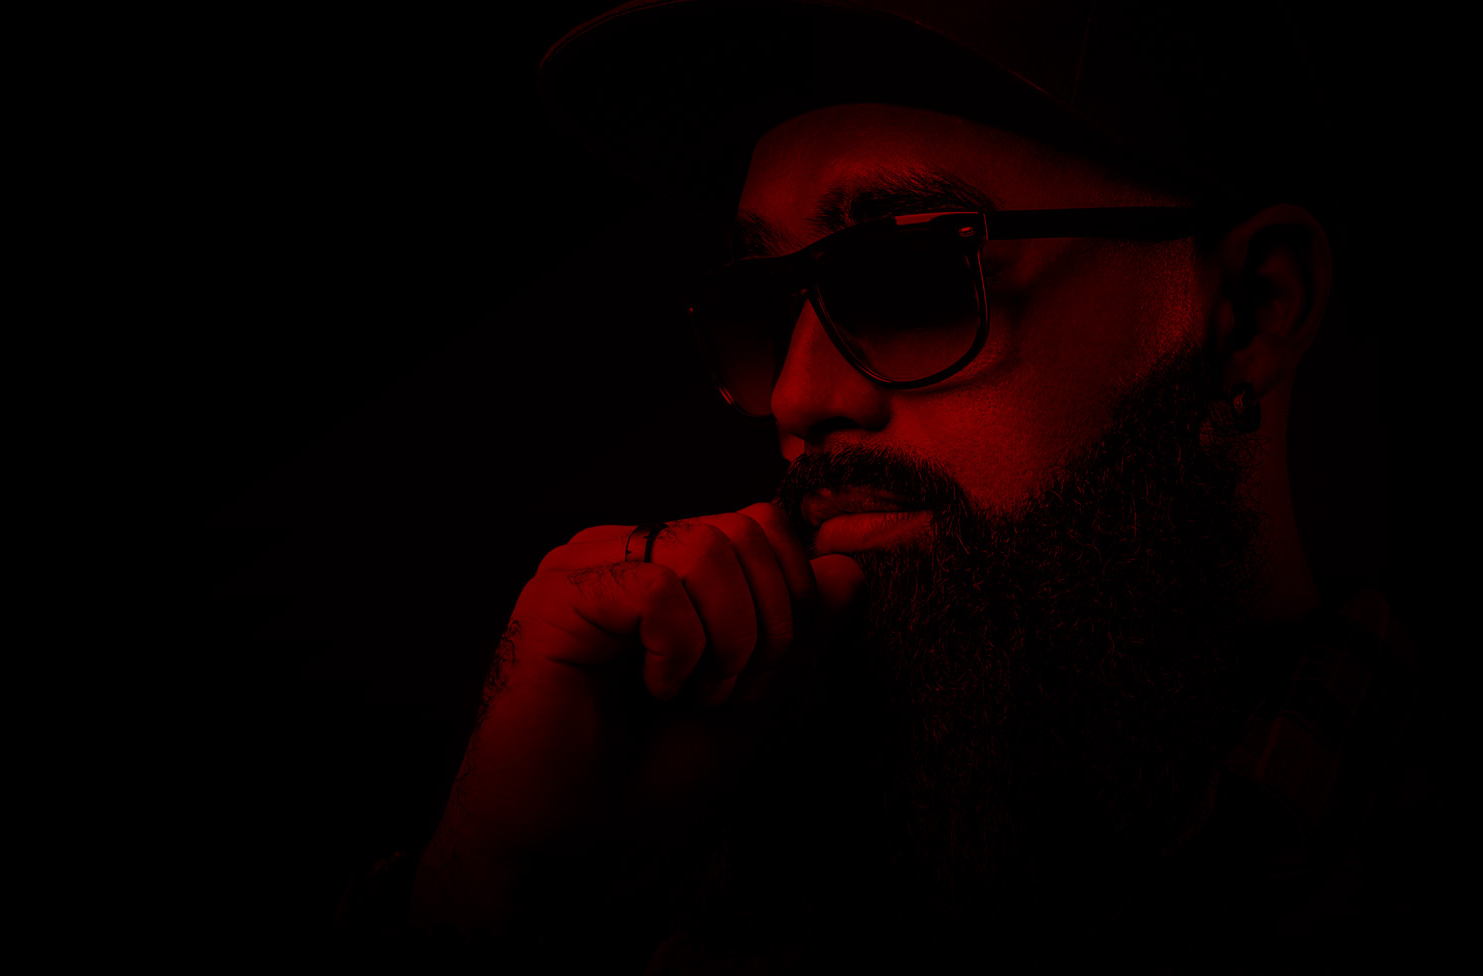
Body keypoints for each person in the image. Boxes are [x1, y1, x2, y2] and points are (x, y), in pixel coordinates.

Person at [324, 1, 1432, 969]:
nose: (799, 397)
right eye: (765, 309)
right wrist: (488, 886)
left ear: (1249, 314)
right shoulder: (672, 864)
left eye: (909, 275)